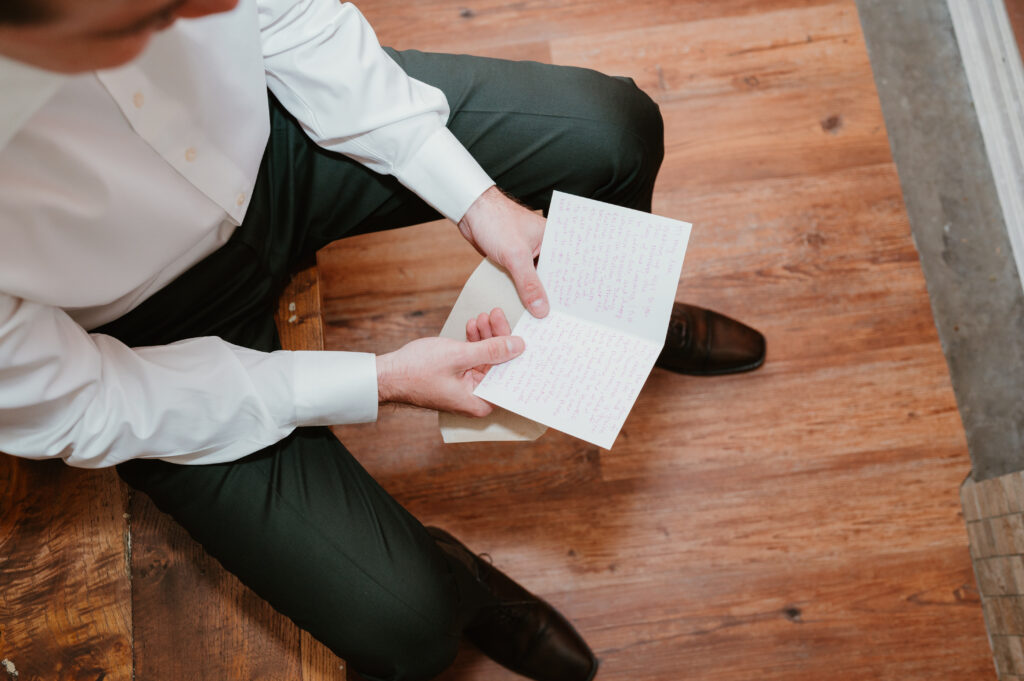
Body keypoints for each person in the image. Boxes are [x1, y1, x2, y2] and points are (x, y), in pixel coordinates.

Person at [0, 1, 765, 680]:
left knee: (613, 133)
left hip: (278, 142)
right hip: (141, 331)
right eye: (159, 16)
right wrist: (378, 379)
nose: (213, 13)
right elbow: (83, 401)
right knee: (406, 629)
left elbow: (291, 17)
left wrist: (478, 199)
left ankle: (617, 317)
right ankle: (457, 580)